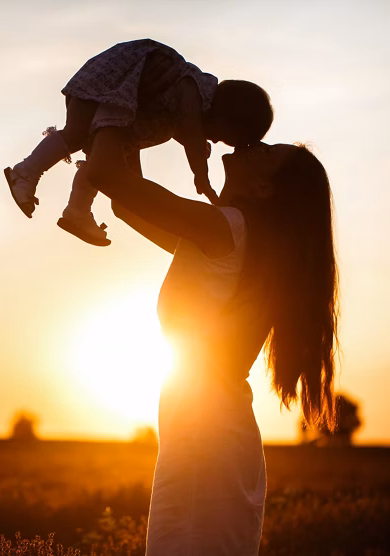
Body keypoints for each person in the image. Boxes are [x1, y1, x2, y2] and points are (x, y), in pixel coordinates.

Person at [85, 133, 339, 555]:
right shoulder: (228, 235)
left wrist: (120, 101)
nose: (253, 142)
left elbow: (109, 176)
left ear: (262, 187)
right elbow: (125, 202)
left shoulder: (226, 228)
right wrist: (133, 129)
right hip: (210, 433)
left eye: (266, 151)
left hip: (207, 441)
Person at [4, 38, 273, 246]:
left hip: (127, 103)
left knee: (114, 166)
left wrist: (195, 144)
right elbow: (189, 127)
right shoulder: (195, 87)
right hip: (114, 81)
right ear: (224, 114)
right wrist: (200, 174)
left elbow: (184, 127)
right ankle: (25, 172)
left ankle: (77, 212)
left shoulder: (183, 105)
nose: (214, 140)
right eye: (221, 135)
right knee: (76, 133)